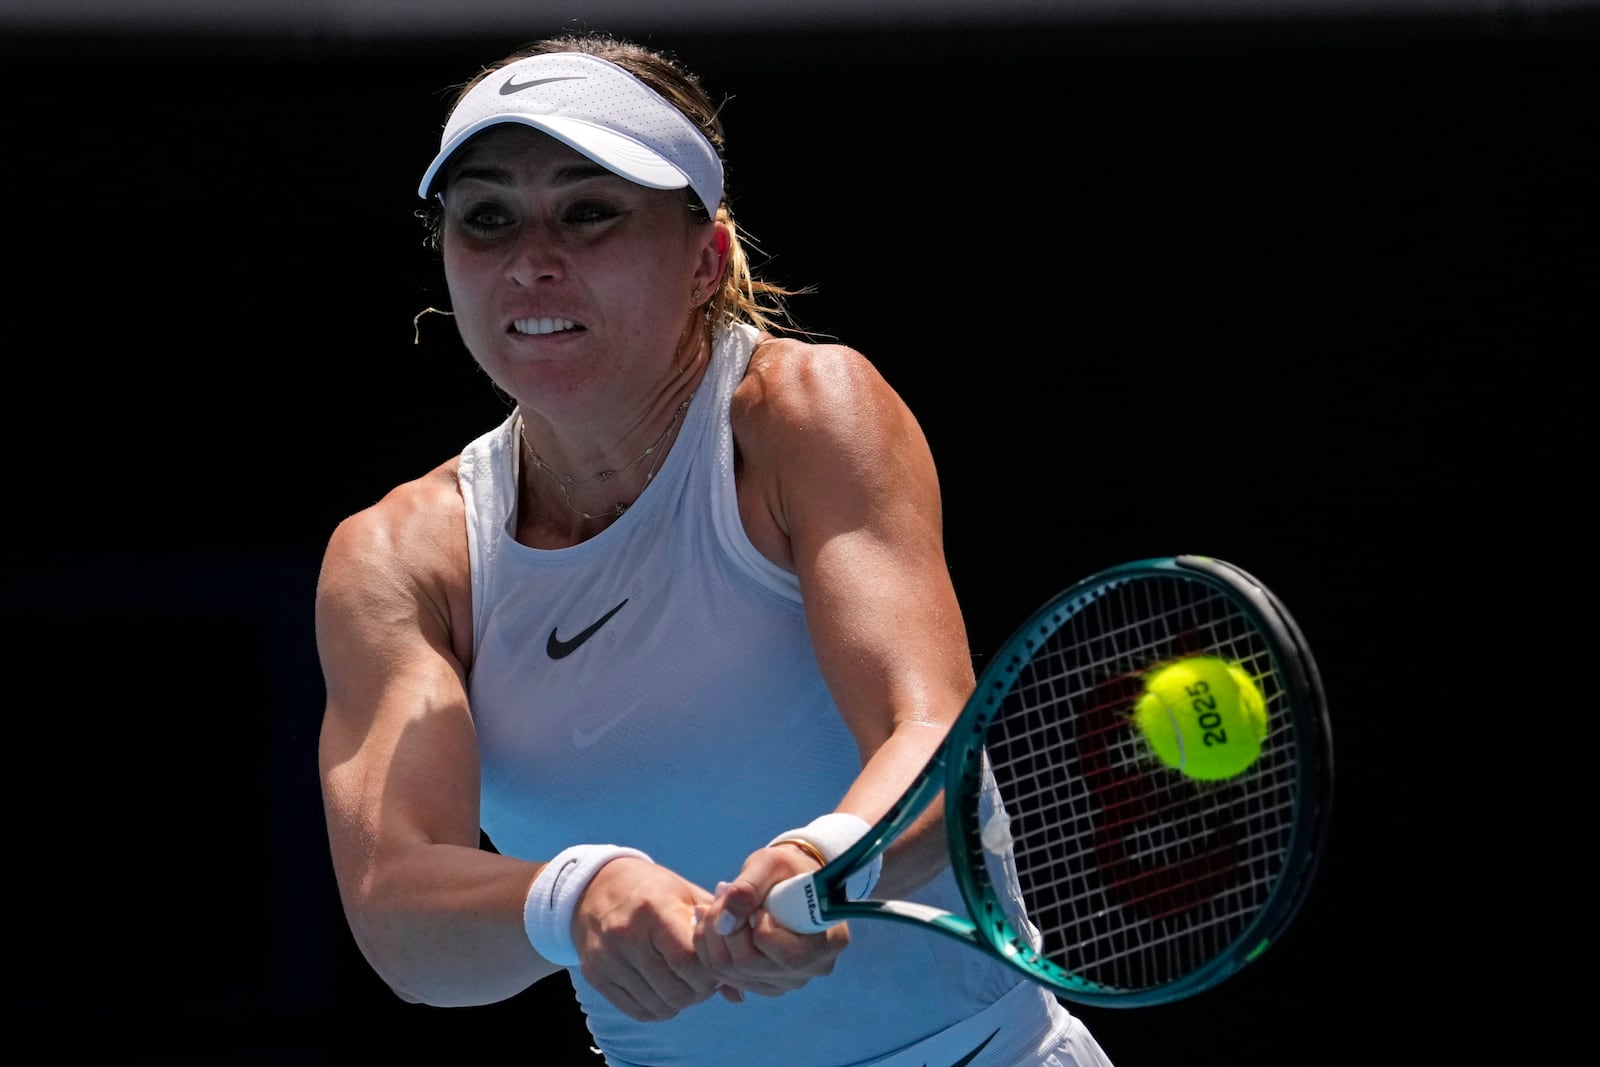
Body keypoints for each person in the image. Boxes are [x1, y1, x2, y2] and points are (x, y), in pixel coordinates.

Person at [315, 30, 1117, 1067]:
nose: (530, 259)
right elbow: (401, 914)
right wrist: (576, 893)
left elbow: (931, 739)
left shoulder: (803, 419)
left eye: (589, 209)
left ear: (708, 257)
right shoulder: (398, 558)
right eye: (486, 218)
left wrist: (821, 859)